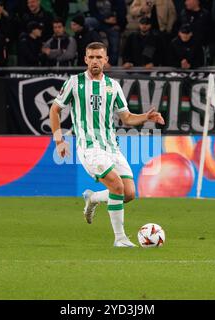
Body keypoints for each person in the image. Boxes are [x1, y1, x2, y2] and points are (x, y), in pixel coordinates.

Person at [49, 42, 165, 247]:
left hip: (111, 147)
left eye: (99, 57)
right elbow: (55, 110)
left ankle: (93, 198)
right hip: (89, 147)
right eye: (91, 57)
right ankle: (120, 238)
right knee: (117, 186)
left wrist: (146, 117)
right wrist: (59, 140)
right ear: (85, 59)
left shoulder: (113, 86)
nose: (95, 61)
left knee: (128, 193)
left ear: (106, 60)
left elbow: (127, 118)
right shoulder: (74, 83)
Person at [87, 0, 128, 66]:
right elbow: (93, 13)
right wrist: (104, 20)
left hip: (113, 24)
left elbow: (122, 12)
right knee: (87, 22)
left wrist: (120, 25)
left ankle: (112, 65)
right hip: (100, 21)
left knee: (114, 46)